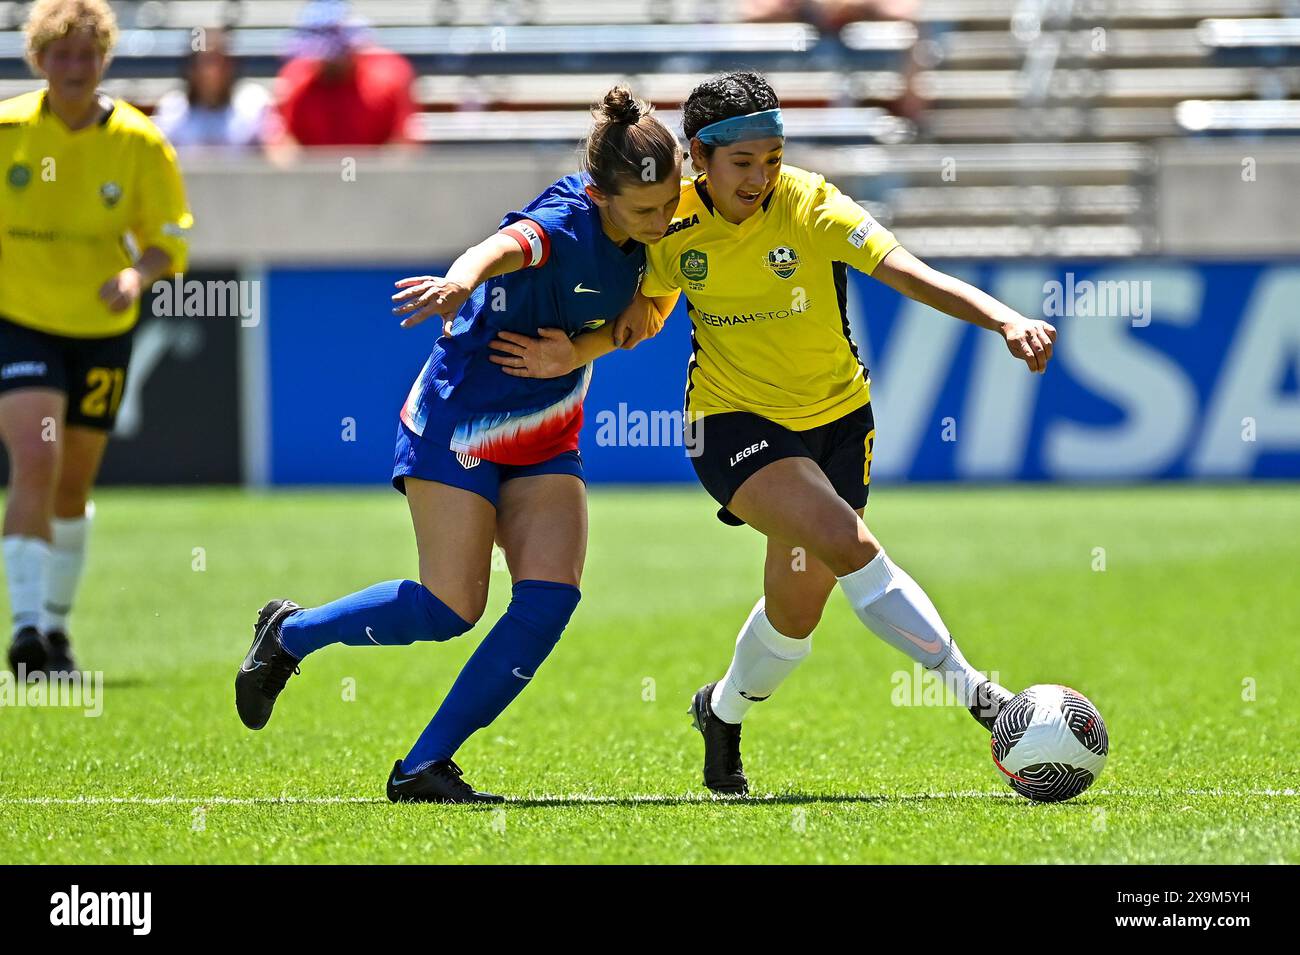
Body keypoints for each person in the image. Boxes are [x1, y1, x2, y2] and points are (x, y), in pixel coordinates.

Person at [501, 72, 1057, 797]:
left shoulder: (811, 204)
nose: (761, 176)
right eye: (743, 162)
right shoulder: (671, 225)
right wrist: (572, 353)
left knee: (795, 619)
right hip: (730, 423)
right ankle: (984, 697)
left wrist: (1002, 317)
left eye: (772, 157)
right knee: (850, 542)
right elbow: (645, 312)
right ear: (698, 156)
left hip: (837, 420)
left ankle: (721, 710)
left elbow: (908, 273)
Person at [233, 88, 682, 803]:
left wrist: (583, 350)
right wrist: (457, 282)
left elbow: (651, 307)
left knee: (550, 596)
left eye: (670, 205)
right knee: (450, 608)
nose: (665, 221)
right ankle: (291, 634)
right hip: (460, 419)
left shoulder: (667, 224)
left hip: (548, 425)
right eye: (647, 211)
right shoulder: (564, 222)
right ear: (599, 194)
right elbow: (500, 246)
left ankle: (423, 765)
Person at [0, 0, 192, 678]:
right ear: (39, 59)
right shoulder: (7, 130)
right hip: (20, 318)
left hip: (102, 329)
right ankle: (23, 631)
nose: (76, 67)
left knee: (73, 481)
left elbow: (169, 238)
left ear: (104, 59)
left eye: (88, 54)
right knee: (35, 457)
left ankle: (55, 629)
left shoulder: (139, 142)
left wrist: (137, 276)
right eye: (62, 53)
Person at [273, 0, 415, 147]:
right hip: (315, 169)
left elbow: (402, 143)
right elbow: (283, 144)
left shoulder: (389, 75)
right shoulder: (296, 77)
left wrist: (368, 170)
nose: (324, 62)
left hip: (375, 168)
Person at [151, 28, 272, 150]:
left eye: (223, 60)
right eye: (208, 60)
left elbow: (278, 156)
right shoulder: (173, 109)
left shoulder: (253, 104)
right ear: (191, 67)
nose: (216, 69)